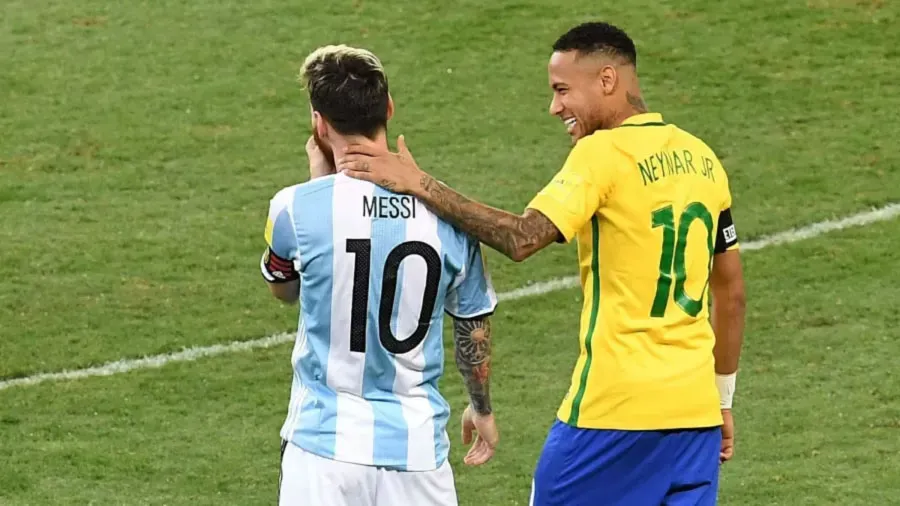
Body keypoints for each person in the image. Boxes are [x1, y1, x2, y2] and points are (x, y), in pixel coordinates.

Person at [336, 21, 747, 506]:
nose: (555, 107)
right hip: (695, 416)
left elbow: (522, 238)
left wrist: (419, 182)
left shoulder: (602, 154)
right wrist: (721, 399)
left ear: (607, 80)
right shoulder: (702, 159)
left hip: (613, 412)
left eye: (562, 90)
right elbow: (732, 292)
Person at [260, 44, 500, 506]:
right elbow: (472, 322)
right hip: (416, 453)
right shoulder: (448, 215)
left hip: (323, 451)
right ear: (388, 109)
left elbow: (284, 289)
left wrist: (318, 185)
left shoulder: (295, 207)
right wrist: (482, 408)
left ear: (319, 124)